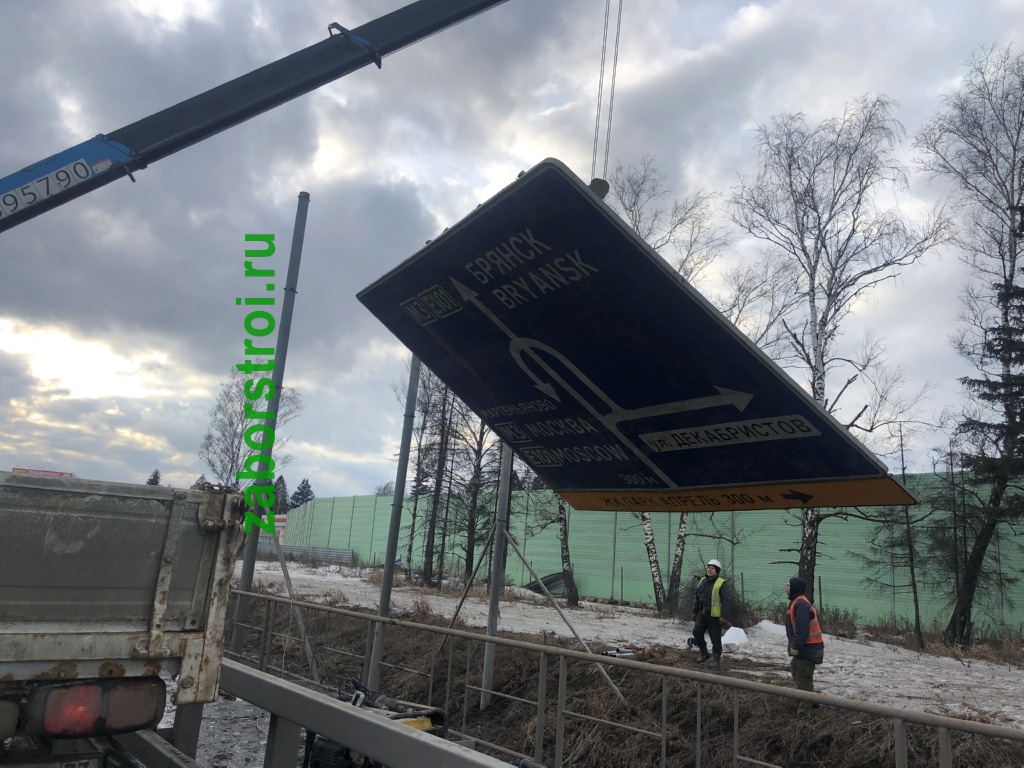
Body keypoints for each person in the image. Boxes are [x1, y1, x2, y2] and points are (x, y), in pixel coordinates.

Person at [785, 577, 824, 713]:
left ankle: (804, 713)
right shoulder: (797, 602)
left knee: (803, 678)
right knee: (796, 671)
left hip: (808, 648)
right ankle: (811, 702)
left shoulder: (800, 604)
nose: (786, 587)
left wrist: (796, 646)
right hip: (806, 648)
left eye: (789, 585)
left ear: (795, 588)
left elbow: (802, 629)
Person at [691, 558, 731, 670]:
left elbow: (726, 601)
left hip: (715, 616)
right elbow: (697, 597)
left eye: (712, 568)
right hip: (702, 613)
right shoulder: (702, 581)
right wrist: (694, 611)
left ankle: (716, 661)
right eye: (708, 567)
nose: (709, 569)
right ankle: (704, 653)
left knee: (715, 639)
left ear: (717, 570)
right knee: (696, 632)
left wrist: (723, 616)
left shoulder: (721, 583)